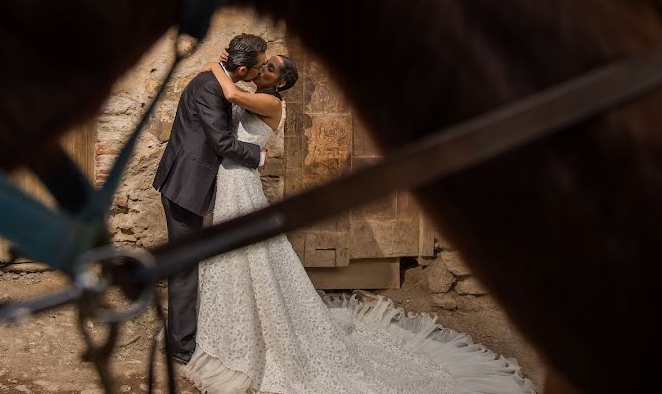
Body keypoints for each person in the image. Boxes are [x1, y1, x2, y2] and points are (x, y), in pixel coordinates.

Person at [185, 52, 536, 394]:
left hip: (242, 185)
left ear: (282, 83)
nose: (263, 68)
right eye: (264, 64)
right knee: (234, 258)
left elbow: (230, 93)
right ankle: (228, 327)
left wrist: (216, 67)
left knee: (250, 256)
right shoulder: (256, 97)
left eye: (271, 68)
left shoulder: (272, 105)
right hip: (231, 181)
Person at [152, 33, 267, 364]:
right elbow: (222, 143)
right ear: (243, 69)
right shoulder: (209, 87)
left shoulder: (217, 81)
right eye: (258, 67)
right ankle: (182, 348)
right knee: (185, 268)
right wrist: (259, 157)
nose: (260, 73)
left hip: (190, 183)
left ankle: (185, 336)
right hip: (184, 186)